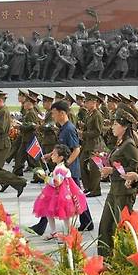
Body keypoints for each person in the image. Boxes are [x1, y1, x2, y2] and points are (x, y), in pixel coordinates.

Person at [30, 100, 93, 235]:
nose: (53, 116)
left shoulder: (69, 129)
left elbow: (76, 149)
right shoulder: (64, 128)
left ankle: (87, 222)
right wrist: (50, 154)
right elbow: (62, 148)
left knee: (75, 196)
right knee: (75, 196)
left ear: (62, 113)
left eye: (54, 113)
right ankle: (87, 222)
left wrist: (66, 164)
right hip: (66, 169)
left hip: (69, 171)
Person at [97, 110, 138, 257]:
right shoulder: (120, 143)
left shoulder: (129, 145)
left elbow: (134, 169)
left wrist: (112, 171)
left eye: (115, 124)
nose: (112, 127)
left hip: (124, 192)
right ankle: (105, 259)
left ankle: (120, 259)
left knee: (119, 227)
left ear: (124, 127)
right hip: (114, 190)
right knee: (105, 225)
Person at [32, 144, 88, 240]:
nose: (52, 156)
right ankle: (55, 232)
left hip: (60, 194)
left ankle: (68, 234)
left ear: (61, 157)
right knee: (49, 212)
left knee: (65, 214)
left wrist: (45, 178)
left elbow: (57, 182)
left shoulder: (60, 169)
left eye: (54, 154)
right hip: (55, 193)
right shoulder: (60, 166)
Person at [0, 90, 27, 197]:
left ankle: (19, 182)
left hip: (1, 144)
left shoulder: (3, 111)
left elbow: (0, 129)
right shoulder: (2, 111)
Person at [81, 92, 105, 197]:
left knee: (94, 168)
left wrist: (84, 133)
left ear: (93, 102)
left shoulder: (97, 115)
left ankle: (96, 190)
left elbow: (98, 132)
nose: (85, 103)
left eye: (87, 102)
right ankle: (88, 187)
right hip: (87, 144)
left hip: (95, 144)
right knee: (83, 165)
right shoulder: (89, 114)